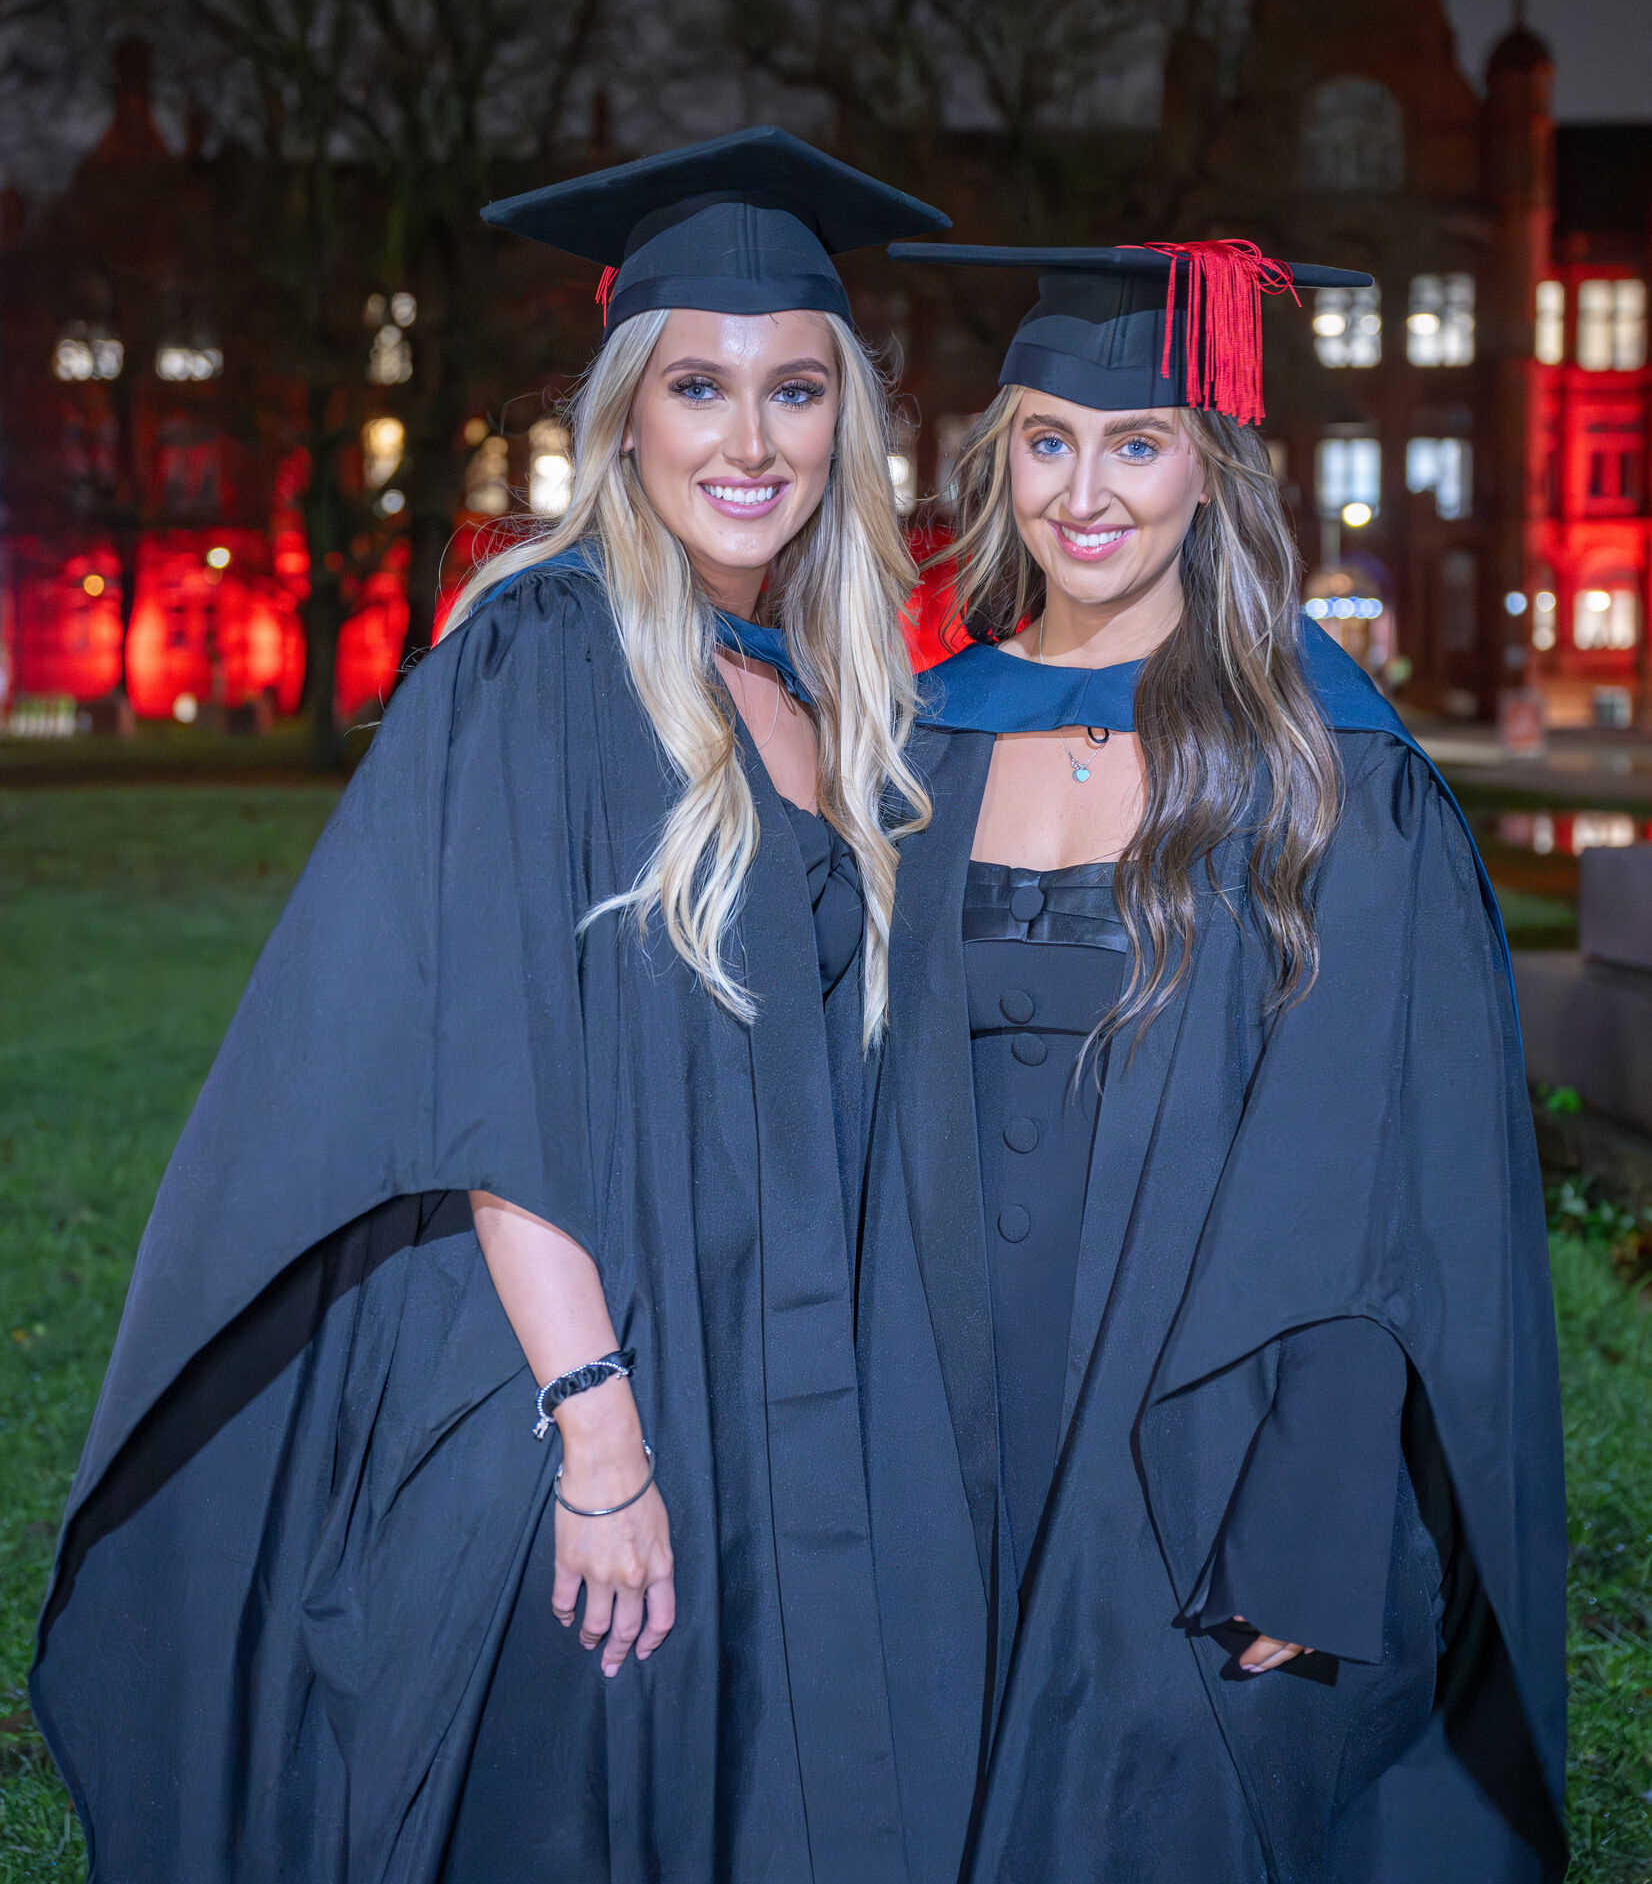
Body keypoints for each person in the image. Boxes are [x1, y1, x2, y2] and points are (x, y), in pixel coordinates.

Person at [31, 127, 946, 1883]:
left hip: (762, 1349)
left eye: (795, 391)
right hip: (583, 1355)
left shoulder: (814, 690)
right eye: (699, 386)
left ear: (851, 423)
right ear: (625, 413)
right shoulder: (540, 654)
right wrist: (597, 1432)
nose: (749, 441)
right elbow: (486, 1066)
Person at [858, 240, 1568, 1883]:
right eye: (1046, 440)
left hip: (1194, 1408)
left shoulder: (1321, 762)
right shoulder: (917, 736)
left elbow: (1372, 1169)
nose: (1083, 491)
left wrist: (1309, 1532)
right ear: (998, 461)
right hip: (934, 1377)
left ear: (1214, 468)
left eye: (1136, 440)